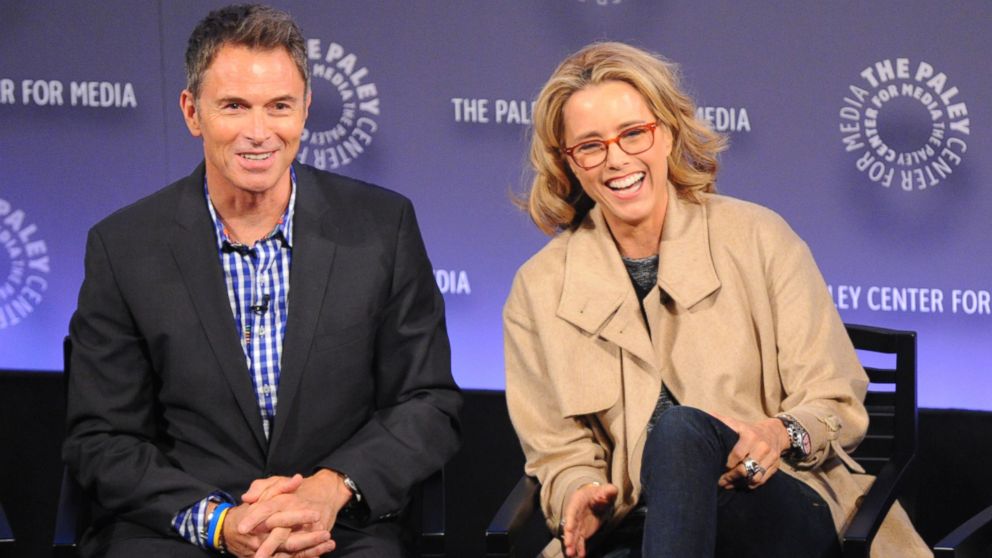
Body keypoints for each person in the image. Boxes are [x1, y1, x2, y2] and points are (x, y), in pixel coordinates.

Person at [503, 42, 930, 558]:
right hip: (635, 525)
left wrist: (778, 433)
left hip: (776, 504)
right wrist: (576, 492)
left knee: (681, 432)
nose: (617, 158)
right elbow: (558, 452)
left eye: (634, 133)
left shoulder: (758, 237)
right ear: (569, 162)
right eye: (591, 146)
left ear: (667, 133)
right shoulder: (538, 289)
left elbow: (834, 398)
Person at [62, 5, 461, 557]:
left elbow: (427, 402)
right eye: (234, 106)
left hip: (338, 528)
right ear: (192, 111)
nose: (259, 132)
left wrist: (331, 487)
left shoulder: (381, 227)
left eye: (279, 106)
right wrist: (222, 524)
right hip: (186, 531)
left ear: (305, 111)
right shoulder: (125, 247)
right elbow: (102, 439)